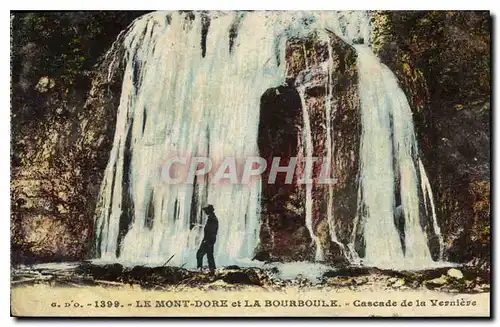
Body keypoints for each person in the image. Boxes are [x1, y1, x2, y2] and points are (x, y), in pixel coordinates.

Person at [196, 204, 219, 275]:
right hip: (210, 240)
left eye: (206, 210)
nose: (205, 211)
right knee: (209, 255)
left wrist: (206, 240)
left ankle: (200, 269)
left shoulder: (212, 218)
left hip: (208, 240)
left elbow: (211, 231)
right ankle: (212, 270)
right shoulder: (212, 217)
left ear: (209, 210)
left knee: (199, 254)